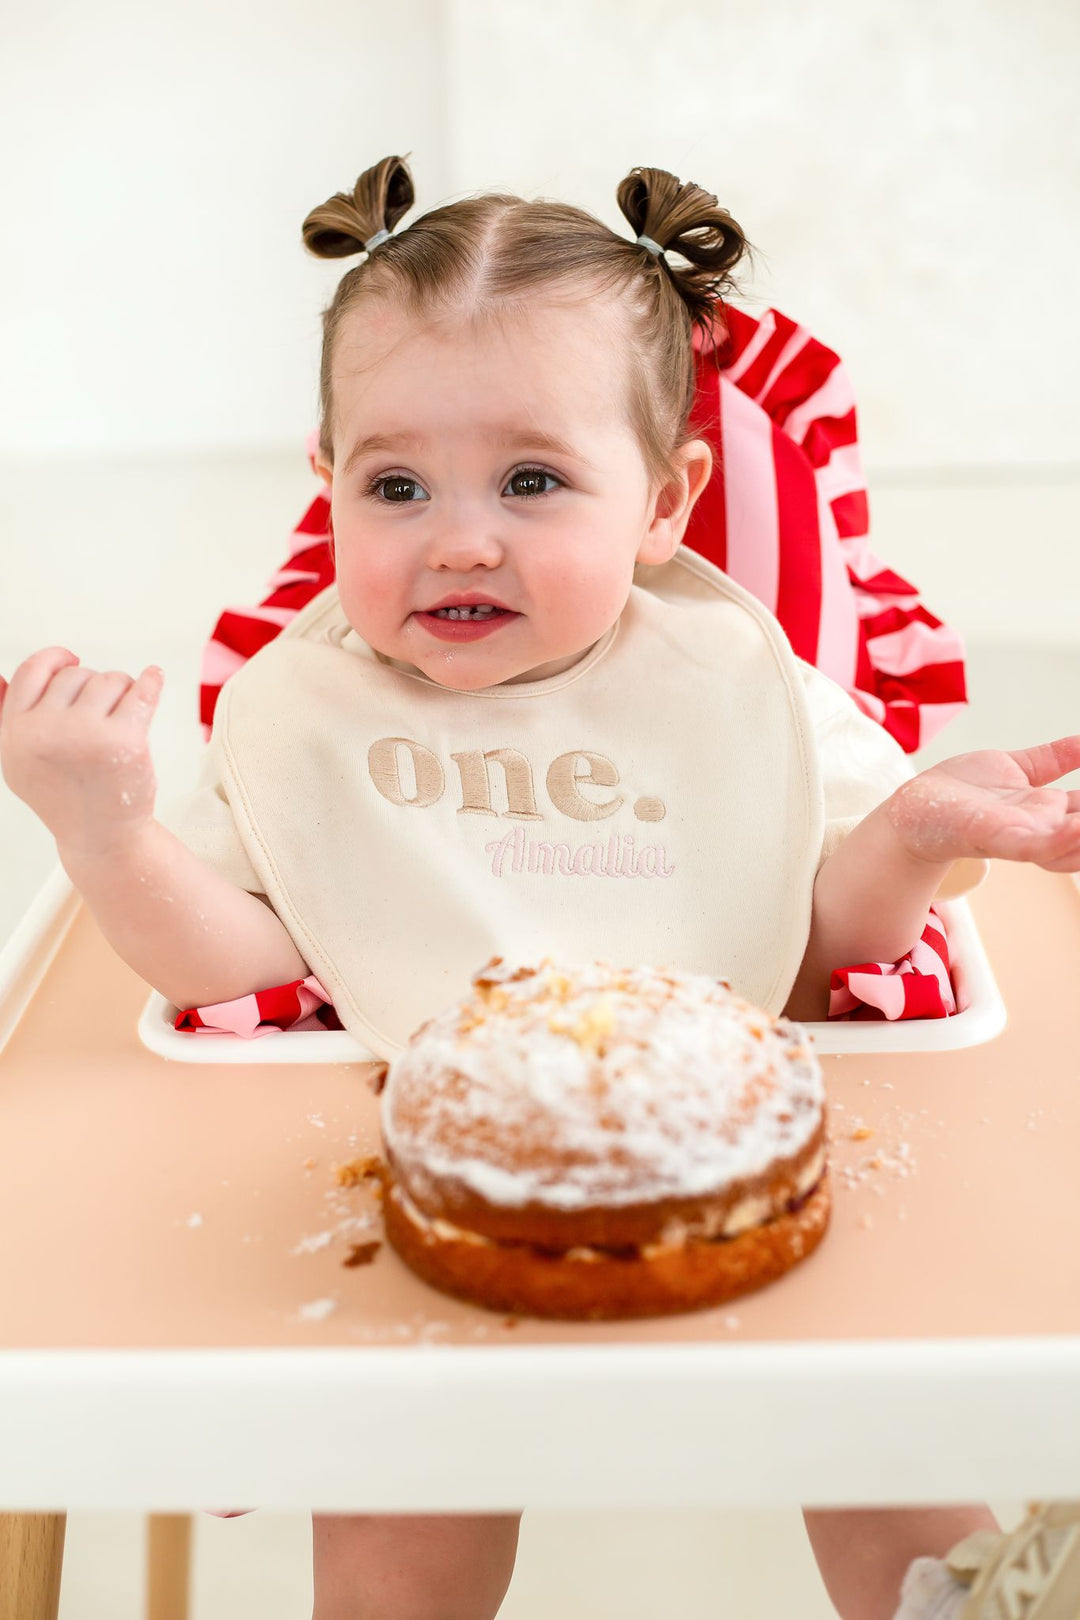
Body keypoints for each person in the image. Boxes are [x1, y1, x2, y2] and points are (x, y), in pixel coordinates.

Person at [2, 154, 1079, 1620]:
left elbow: (822, 957)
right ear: (327, 491)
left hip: (761, 1171)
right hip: (414, 1195)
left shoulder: (741, 680)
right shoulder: (301, 704)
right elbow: (241, 975)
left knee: (892, 1444)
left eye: (530, 480)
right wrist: (108, 835)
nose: (458, 535)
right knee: (394, 1527)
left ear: (665, 500)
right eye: (396, 484)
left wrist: (911, 837)